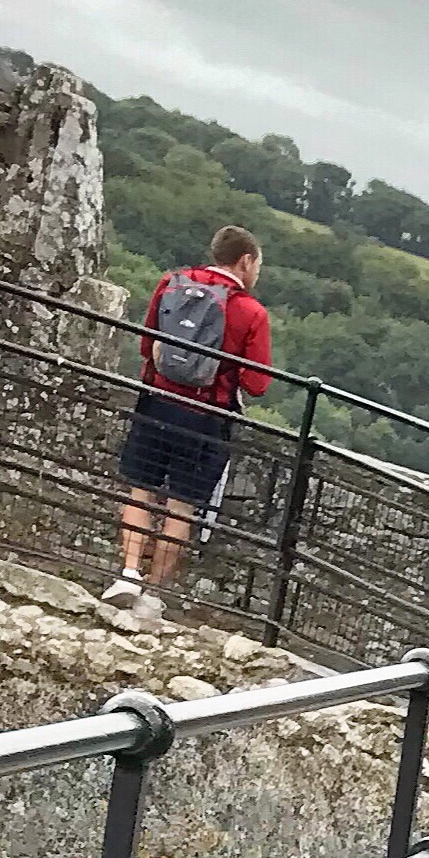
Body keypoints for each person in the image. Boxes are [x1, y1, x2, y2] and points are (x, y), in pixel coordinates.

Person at [104, 227, 272, 616]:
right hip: (205, 417)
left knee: (140, 492)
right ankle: (153, 596)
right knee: (181, 508)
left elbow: (147, 345)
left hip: (156, 402)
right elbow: (257, 383)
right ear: (245, 261)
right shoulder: (250, 311)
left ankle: (128, 575)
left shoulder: (172, 283)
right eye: (257, 264)